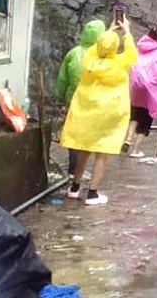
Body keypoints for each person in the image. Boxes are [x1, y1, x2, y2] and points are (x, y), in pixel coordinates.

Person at [59, 14, 138, 205]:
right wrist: (126, 31)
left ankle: (75, 187)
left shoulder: (89, 60)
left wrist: (109, 31)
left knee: (84, 149)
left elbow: (95, 49)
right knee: (102, 153)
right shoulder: (119, 63)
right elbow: (131, 52)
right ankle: (93, 193)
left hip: (87, 112)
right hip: (108, 114)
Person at [54, 19, 106, 176]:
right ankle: (78, 171)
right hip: (93, 102)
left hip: (73, 99)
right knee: (87, 136)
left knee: (74, 134)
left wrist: (60, 96)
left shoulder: (73, 53)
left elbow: (62, 79)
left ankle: (72, 167)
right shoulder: (101, 57)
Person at [124, 26, 157, 158]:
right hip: (152, 90)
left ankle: (128, 139)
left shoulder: (136, 50)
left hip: (135, 87)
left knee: (135, 114)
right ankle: (135, 150)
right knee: (146, 119)